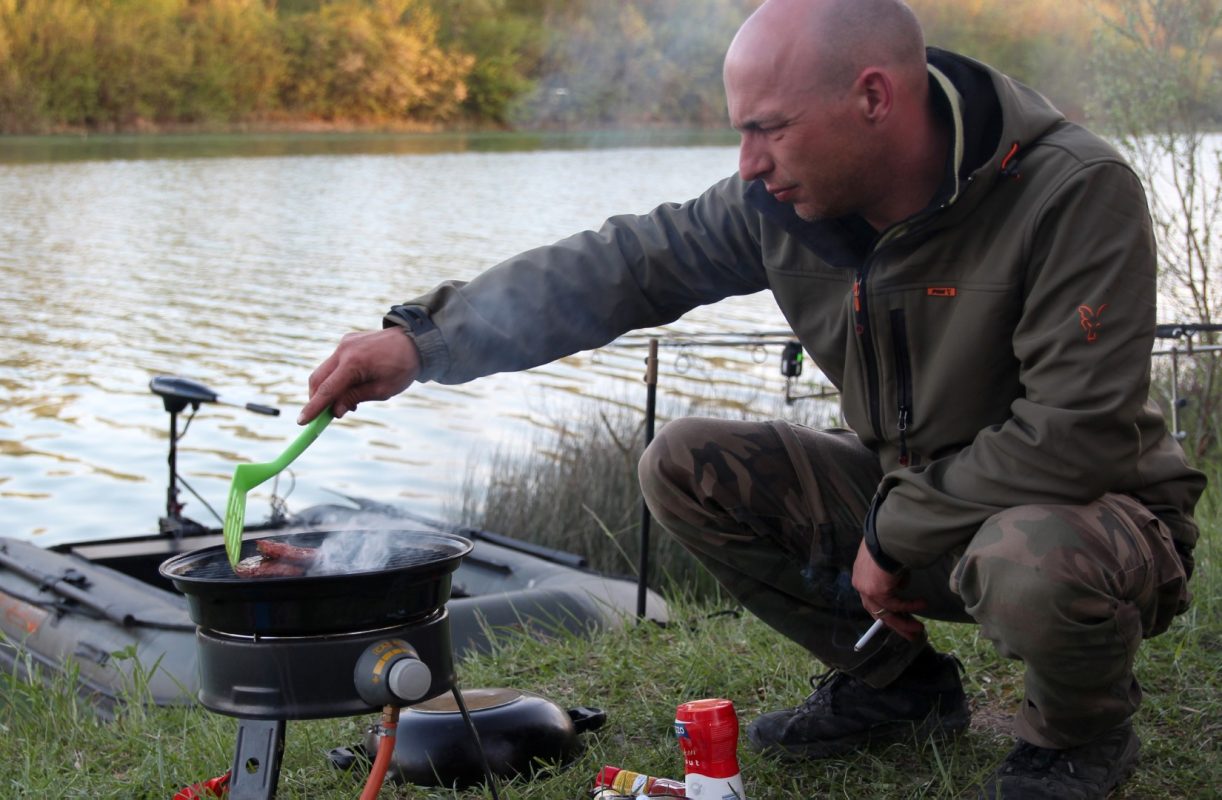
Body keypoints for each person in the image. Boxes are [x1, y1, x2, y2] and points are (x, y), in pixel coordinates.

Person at [298, 0, 1206, 796]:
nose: (750, 161)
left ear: (874, 97)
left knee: (1032, 555)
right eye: (741, 132)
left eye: (768, 128)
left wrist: (895, 532)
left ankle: (1078, 736)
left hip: (1088, 515)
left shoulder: (1072, 191)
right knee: (684, 464)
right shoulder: (779, 203)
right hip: (914, 500)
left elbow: (1074, 435)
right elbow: (623, 265)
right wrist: (422, 341)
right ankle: (894, 686)